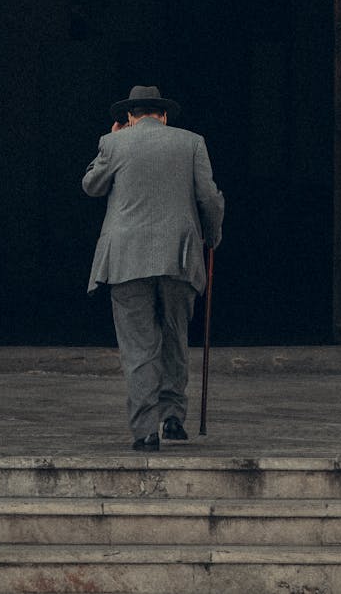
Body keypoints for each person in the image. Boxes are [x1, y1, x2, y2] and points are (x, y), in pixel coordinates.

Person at [82, 85, 224, 451]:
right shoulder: (191, 142)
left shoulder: (113, 143)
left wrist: (110, 143)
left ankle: (145, 429)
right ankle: (173, 416)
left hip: (126, 258)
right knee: (176, 335)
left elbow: (91, 186)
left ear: (130, 117)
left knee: (138, 346)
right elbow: (209, 198)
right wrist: (212, 235)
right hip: (179, 254)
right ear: (162, 115)